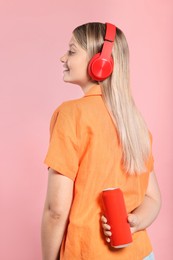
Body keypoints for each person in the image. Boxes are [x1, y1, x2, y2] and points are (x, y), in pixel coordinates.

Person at [41, 22, 161, 260]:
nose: (63, 57)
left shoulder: (70, 114)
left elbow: (56, 210)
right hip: (141, 254)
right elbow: (153, 199)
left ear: (101, 64)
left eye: (73, 51)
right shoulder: (134, 122)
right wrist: (135, 222)